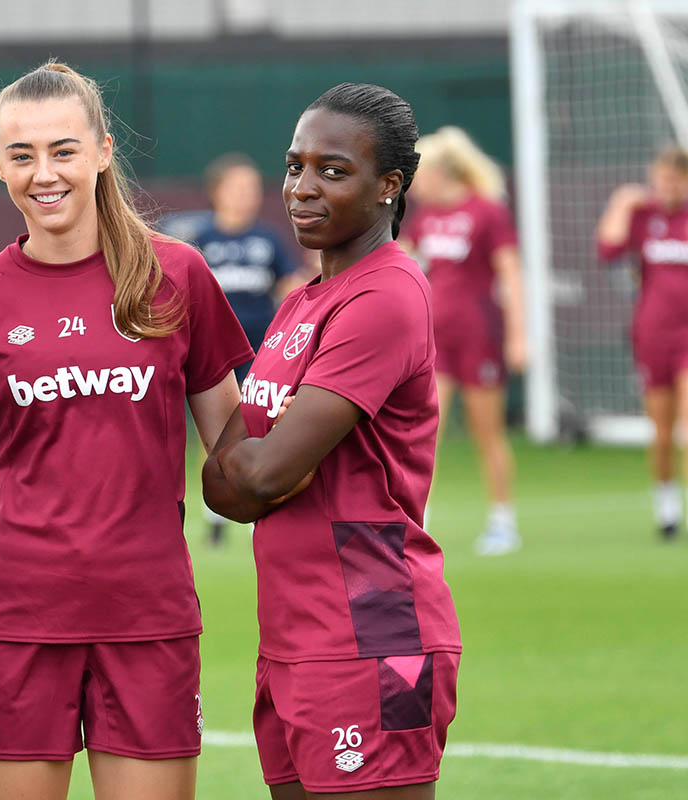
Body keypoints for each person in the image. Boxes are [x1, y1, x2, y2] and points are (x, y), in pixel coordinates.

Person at [0, 62, 252, 800]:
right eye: (22, 154)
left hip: (150, 619)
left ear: (103, 151)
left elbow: (238, 455)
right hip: (16, 621)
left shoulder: (176, 276)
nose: (45, 173)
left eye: (64, 150)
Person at [202, 83, 460, 799]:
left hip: (371, 631)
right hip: (291, 634)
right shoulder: (299, 304)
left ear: (389, 187)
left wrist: (251, 471)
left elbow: (254, 475)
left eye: (333, 171)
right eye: (294, 167)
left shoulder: (386, 295)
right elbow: (226, 482)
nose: (301, 189)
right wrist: (248, 471)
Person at [597, 146, 688, 544]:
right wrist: (621, 204)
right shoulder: (644, 214)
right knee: (661, 432)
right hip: (652, 337)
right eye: (660, 181)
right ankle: (668, 507)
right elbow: (607, 250)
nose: (666, 189)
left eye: (674, 181)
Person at [405, 126, 525, 556]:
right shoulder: (425, 218)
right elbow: (402, 261)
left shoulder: (487, 212)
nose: (415, 184)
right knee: (423, 434)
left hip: (479, 336)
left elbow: (510, 272)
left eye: (422, 174)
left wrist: (518, 336)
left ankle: (502, 521)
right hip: (436, 342)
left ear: (443, 172)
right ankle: (419, 522)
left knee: (486, 431)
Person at [194, 153, 299, 547]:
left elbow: (292, 289)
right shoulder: (200, 242)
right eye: (237, 188)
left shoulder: (268, 239)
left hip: (262, 356)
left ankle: (263, 504)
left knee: (264, 432)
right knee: (218, 437)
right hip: (217, 359)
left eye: (252, 189)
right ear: (217, 192)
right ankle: (216, 515)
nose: (245, 196)